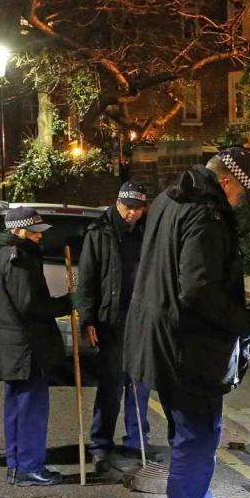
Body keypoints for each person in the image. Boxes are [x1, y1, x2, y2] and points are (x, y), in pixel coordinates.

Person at [124, 148, 250, 498]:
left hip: (160, 338)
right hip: (186, 347)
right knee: (199, 435)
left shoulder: (169, 200)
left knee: (186, 432)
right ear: (227, 182)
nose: (238, 204)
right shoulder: (206, 216)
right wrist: (248, 321)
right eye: (240, 196)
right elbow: (199, 289)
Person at [76, 182, 157, 472]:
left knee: (140, 380)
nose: (131, 214)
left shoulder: (148, 232)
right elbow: (87, 278)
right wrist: (87, 318)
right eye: (127, 207)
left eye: (137, 208)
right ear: (117, 202)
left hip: (141, 317)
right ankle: (101, 442)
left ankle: (137, 440)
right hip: (112, 317)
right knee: (111, 383)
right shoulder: (99, 232)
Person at [0, 208, 73, 487]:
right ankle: (28, 466)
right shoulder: (19, 259)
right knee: (30, 409)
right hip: (27, 346)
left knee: (18, 407)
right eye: (35, 231)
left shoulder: (13, 255)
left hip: (19, 346)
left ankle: (18, 465)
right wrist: (65, 303)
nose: (40, 236)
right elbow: (30, 305)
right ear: (18, 231)